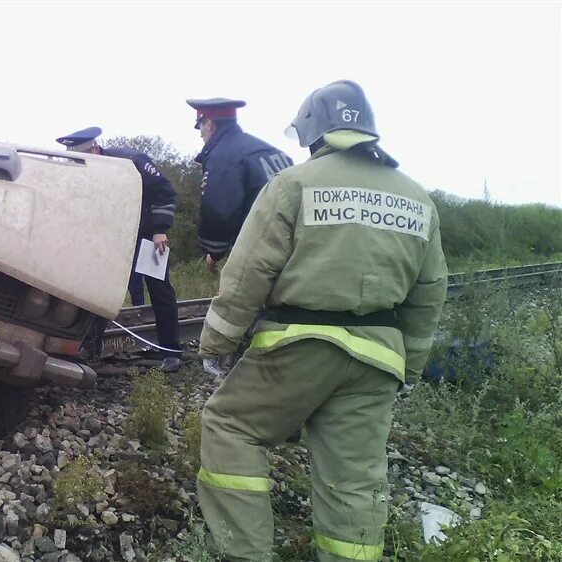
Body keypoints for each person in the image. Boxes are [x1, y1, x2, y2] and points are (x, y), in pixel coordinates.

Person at [195, 80, 448, 561]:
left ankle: (243, 553)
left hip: (299, 344)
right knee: (354, 479)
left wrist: (217, 346)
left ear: (314, 131)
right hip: (379, 357)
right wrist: (409, 369)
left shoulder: (294, 185)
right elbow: (429, 294)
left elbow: (248, 273)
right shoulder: (417, 199)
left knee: (230, 427)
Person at [57, 127, 182, 372]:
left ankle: (171, 352)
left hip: (147, 236)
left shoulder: (131, 160)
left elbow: (165, 192)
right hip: (114, 239)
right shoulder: (83, 168)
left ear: (94, 148)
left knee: (159, 291)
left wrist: (159, 228)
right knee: (97, 290)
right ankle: (88, 348)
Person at [186, 98, 293, 274]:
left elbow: (219, 211)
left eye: (200, 126)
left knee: (233, 302)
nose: (200, 134)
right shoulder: (273, 151)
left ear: (210, 124)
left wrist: (214, 251)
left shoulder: (223, 156)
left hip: (258, 253)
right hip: (292, 246)